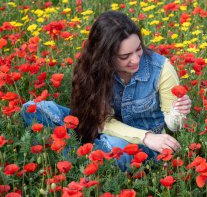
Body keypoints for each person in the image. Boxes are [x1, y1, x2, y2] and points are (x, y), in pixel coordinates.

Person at [21, 11, 192, 171]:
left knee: (117, 150)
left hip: (146, 146)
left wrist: (177, 113)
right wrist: (145, 136)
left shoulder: (161, 69)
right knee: (33, 108)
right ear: (105, 56)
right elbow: (102, 122)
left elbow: (174, 126)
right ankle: (84, 155)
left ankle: (75, 154)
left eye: (138, 49)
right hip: (106, 131)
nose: (135, 59)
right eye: (125, 56)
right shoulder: (96, 71)